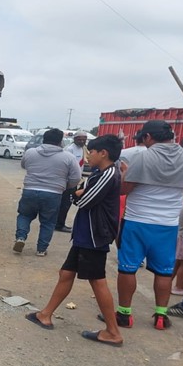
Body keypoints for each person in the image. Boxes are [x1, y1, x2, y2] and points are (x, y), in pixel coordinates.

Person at [25, 135, 124, 345]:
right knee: (66, 273)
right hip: (84, 234)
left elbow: (83, 199)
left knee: (97, 281)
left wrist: (78, 194)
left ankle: (113, 332)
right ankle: (46, 314)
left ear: (103, 153)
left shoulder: (109, 174)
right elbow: (77, 191)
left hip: (94, 235)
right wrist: (78, 193)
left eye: (92, 152)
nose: (89, 156)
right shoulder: (99, 173)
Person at [107, 120, 183, 330]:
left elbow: (123, 190)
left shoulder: (142, 156)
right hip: (168, 224)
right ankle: (161, 316)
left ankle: (124, 314)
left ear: (147, 137)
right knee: (164, 272)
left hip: (138, 221)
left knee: (127, 269)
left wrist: (126, 174)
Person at [13, 129, 80, 257]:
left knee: (24, 215)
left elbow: (24, 165)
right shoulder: (68, 157)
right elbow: (76, 178)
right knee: (48, 222)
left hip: (30, 190)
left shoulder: (30, 152)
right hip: (53, 193)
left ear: (44, 138)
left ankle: (21, 237)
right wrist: (64, 186)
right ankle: (41, 249)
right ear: (60, 141)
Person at [56, 132, 89, 232]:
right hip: (69, 181)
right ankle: (59, 224)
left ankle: (59, 222)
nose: (82, 141)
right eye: (80, 139)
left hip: (76, 180)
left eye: (84, 139)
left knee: (68, 203)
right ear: (74, 139)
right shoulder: (69, 149)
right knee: (65, 203)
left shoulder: (83, 149)